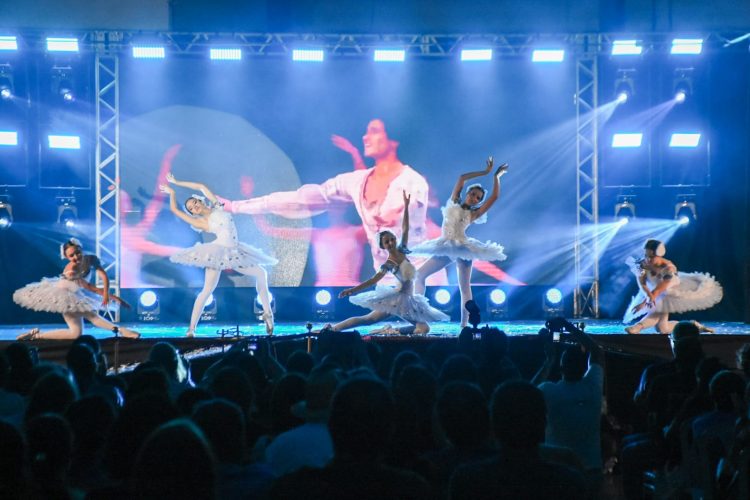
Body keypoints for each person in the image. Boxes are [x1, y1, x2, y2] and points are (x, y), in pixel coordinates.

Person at [218, 119, 430, 274]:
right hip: (385, 282)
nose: (365, 137)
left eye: (374, 131)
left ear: (394, 141)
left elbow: (402, 219)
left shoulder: (412, 182)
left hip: (416, 279)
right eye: (366, 132)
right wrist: (235, 206)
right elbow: (300, 200)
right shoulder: (356, 181)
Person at [160, 174, 277, 336]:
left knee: (261, 273)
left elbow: (201, 186)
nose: (194, 207)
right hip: (218, 253)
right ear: (192, 213)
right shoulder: (201, 222)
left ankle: (268, 314)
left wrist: (177, 182)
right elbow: (175, 210)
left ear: (200, 200)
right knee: (207, 290)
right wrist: (172, 193)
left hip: (235, 251)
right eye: (191, 208)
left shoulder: (217, 206)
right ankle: (191, 329)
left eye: (194, 203)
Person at [328, 191, 448, 335]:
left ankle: (390, 330)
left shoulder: (402, 250)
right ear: (383, 246)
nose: (390, 242)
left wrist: (406, 206)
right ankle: (333, 329)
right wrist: (352, 290)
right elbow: (373, 280)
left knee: (370, 319)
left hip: (407, 300)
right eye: (386, 242)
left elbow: (405, 228)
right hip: (399, 301)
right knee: (370, 319)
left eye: (391, 239)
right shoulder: (389, 263)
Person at [412, 157, 508, 327]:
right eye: (473, 194)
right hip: (446, 245)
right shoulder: (454, 202)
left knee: (464, 287)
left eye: (478, 198)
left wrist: (496, 177)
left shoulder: (474, 213)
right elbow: (462, 178)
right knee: (419, 275)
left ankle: (464, 325)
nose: (474, 198)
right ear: (467, 193)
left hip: (462, 248)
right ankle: (419, 317)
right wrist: (485, 172)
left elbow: (494, 197)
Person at [13, 238, 140, 340]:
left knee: (75, 334)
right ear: (67, 257)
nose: (76, 257)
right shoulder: (71, 270)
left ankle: (36, 336)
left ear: (81, 249)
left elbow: (103, 275)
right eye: (71, 256)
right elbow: (91, 288)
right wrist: (113, 297)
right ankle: (122, 331)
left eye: (78, 253)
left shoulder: (91, 259)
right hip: (65, 296)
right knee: (92, 316)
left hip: (75, 293)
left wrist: (110, 295)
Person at [623, 239, 723, 334]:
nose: (648, 260)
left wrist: (645, 302)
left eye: (652, 257)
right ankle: (694, 326)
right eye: (646, 255)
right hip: (654, 290)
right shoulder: (642, 264)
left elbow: (658, 290)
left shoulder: (668, 268)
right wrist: (648, 295)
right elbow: (643, 283)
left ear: (659, 256)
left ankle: (638, 327)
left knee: (658, 308)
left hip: (669, 290)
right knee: (663, 328)